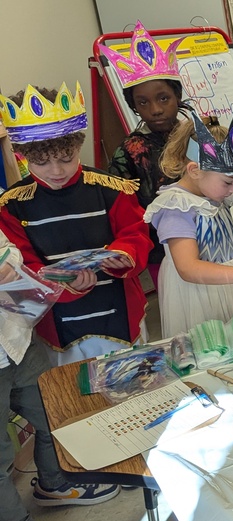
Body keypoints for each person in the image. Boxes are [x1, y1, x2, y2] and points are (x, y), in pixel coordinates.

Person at [0, 83, 152, 365]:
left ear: (78, 146)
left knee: (133, 380)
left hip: (119, 313)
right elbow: (23, 267)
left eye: (66, 158)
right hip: (59, 326)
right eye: (42, 162)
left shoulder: (111, 189)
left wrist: (123, 254)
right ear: (22, 155)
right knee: (75, 395)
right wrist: (62, 284)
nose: (56, 170)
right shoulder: (11, 206)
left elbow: (137, 234)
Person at [0, 232, 120, 521]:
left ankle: (53, 483)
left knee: (53, 413)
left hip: (16, 338)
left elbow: (8, 250)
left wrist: (8, 265)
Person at [143, 104, 233, 337]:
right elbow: (188, 268)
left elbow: (207, 222)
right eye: (229, 182)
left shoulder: (210, 192)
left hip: (232, 286)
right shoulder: (176, 207)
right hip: (203, 295)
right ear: (195, 170)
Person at [101, 21, 188, 288]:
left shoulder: (198, 137)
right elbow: (121, 208)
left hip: (209, 239)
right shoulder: (129, 153)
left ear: (176, 95)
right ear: (134, 107)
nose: (156, 109)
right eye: (143, 102)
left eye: (163, 98)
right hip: (160, 251)